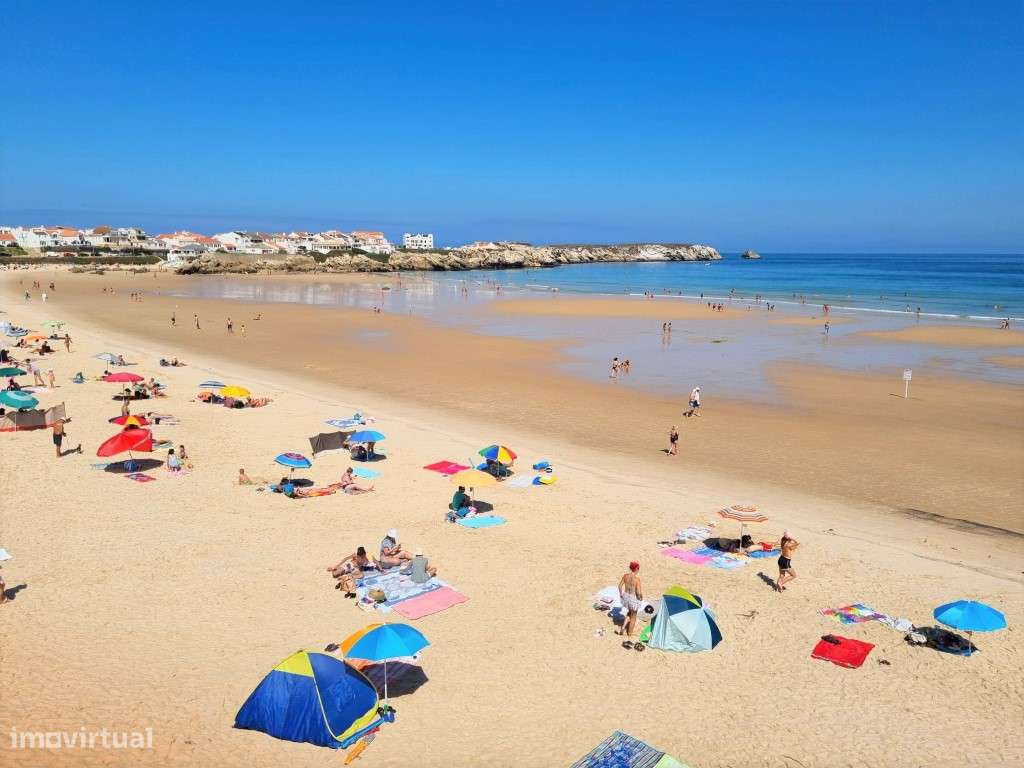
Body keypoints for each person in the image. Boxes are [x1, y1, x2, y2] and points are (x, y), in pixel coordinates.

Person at [618, 561, 643, 648]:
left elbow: (620, 586)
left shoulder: (625, 576)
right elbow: (638, 593)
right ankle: (629, 634)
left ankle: (622, 628)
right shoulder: (637, 580)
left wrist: (621, 594)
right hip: (633, 598)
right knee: (633, 617)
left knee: (629, 612)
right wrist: (641, 598)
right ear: (636, 569)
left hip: (626, 597)